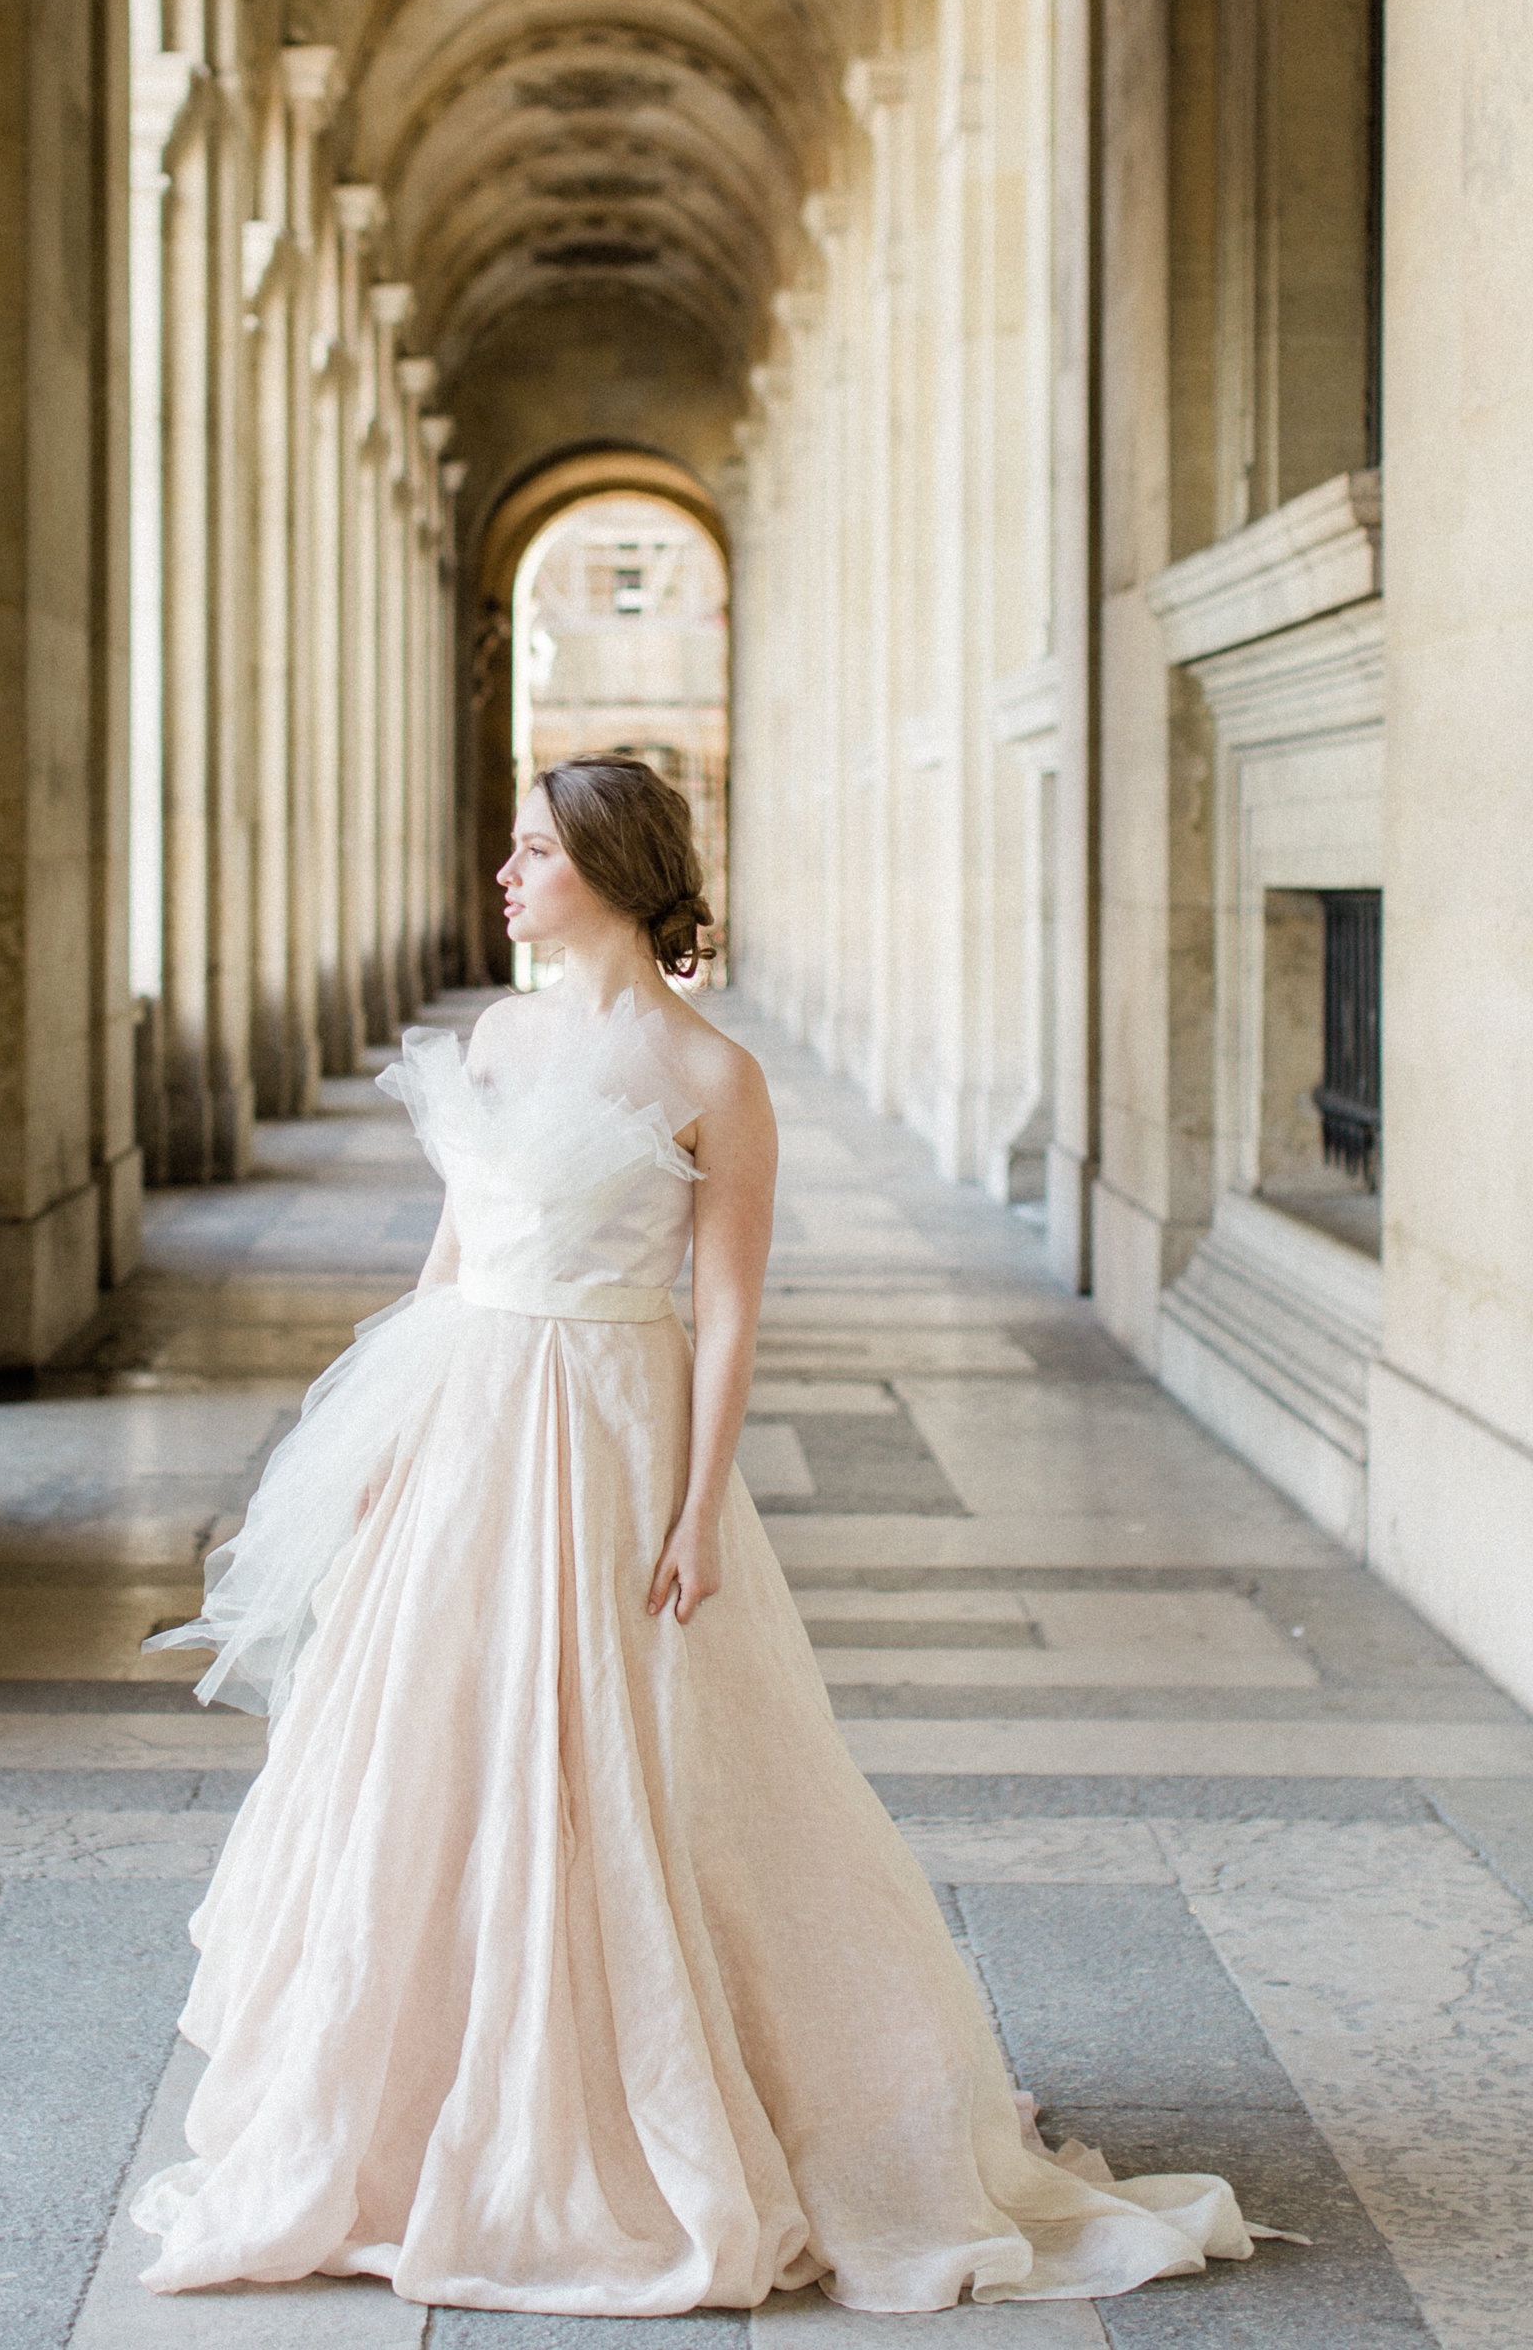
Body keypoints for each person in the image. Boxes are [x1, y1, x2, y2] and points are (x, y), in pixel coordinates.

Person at [131, 755, 1267, 2314]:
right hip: (472, 1419)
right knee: (438, 1742)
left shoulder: (714, 1078)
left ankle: (655, 2085)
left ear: (605, 871)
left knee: (634, 1752)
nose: (506, 874)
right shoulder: (505, 1036)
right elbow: (450, 1262)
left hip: (610, 1421)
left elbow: (726, 1314)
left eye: (533, 851)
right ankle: (417, 2097)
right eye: (513, 847)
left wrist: (696, 1509)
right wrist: (383, 1445)